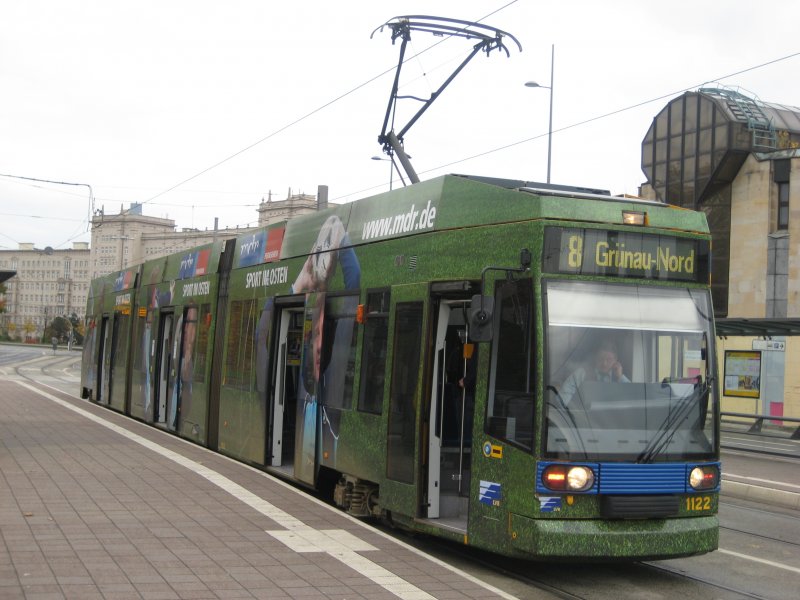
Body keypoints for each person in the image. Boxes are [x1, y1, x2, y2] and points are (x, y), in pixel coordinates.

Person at [558, 340, 629, 405]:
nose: (604, 363)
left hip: (611, 415)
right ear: (595, 357)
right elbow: (563, 396)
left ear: (615, 361)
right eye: (601, 358)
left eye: (609, 360)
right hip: (584, 414)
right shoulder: (582, 372)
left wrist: (620, 377)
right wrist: (570, 411)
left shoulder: (618, 376)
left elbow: (631, 398)